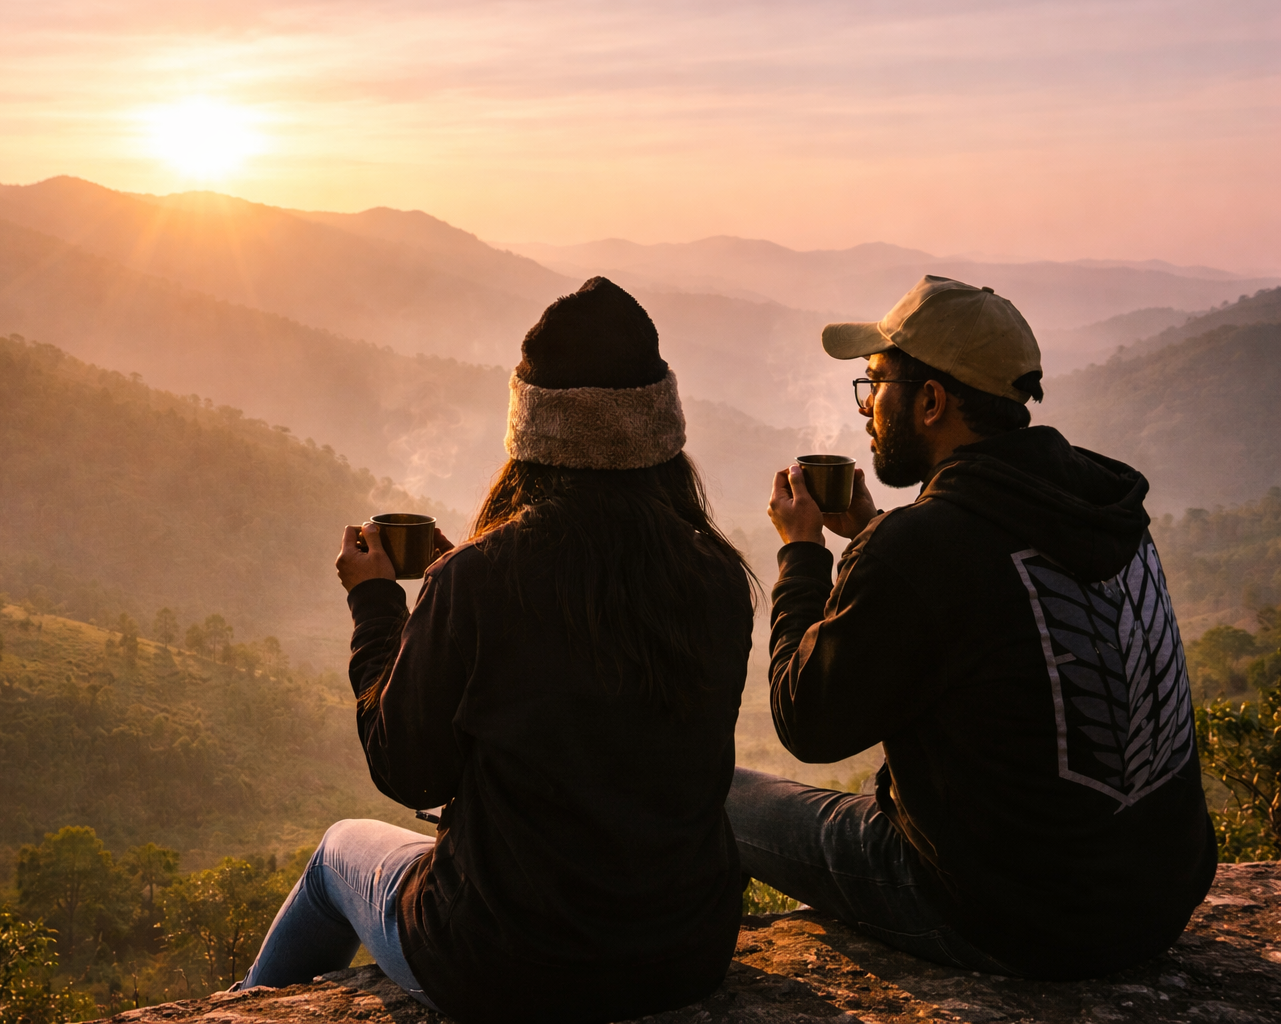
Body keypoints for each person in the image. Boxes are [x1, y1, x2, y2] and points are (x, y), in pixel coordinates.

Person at [235, 277, 756, 1023]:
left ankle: (246, 1011)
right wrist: (454, 588)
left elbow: (406, 766)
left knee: (335, 855)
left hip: (506, 962)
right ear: (660, 433)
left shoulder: (480, 581)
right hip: (684, 954)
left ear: (531, 438)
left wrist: (380, 604)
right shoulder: (715, 577)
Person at [729, 274, 1217, 979]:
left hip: (1003, 919)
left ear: (929, 400)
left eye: (875, 385)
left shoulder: (925, 549)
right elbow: (974, 604)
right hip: (1155, 903)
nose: (867, 411)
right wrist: (869, 537)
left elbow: (806, 721)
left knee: (717, 795)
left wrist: (803, 554)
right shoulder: (1102, 504)